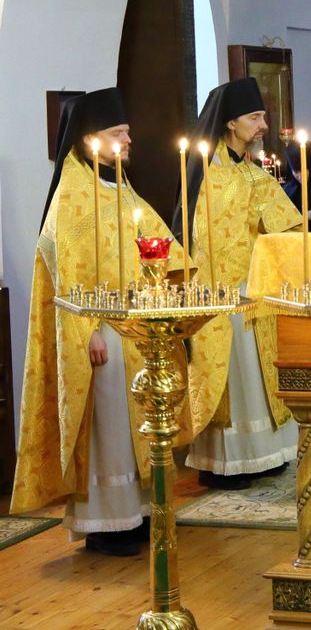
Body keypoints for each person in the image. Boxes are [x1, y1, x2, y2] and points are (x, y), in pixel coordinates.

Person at [11, 88, 188, 556]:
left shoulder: (120, 187)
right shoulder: (73, 194)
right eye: (119, 132)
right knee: (108, 429)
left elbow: (158, 244)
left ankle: (141, 513)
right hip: (100, 331)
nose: (129, 140)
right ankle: (107, 524)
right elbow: (67, 270)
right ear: (91, 138)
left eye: (127, 131)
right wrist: (87, 330)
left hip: (136, 328)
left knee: (137, 424)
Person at [173, 77, 302, 490]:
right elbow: (198, 236)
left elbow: (285, 227)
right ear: (231, 122)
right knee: (232, 378)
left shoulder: (250, 171)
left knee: (258, 375)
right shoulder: (206, 171)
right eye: (255, 117)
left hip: (255, 289)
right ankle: (226, 462)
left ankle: (265, 453)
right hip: (219, 295)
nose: (263, 125)